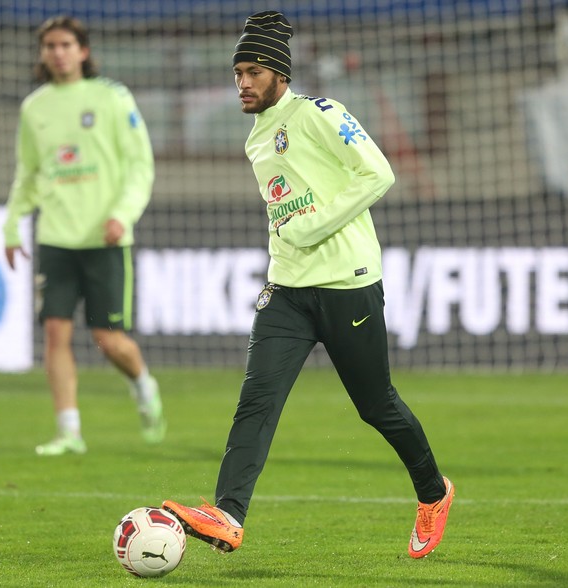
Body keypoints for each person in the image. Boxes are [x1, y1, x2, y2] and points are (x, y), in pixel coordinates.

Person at [163, 11, 454, 559]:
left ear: (278, 71)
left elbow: (380, 173)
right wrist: (288, 248)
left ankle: (434, 494)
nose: (242, 83)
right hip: (287, 292)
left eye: (251, 72)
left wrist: (311, 226)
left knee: (377, 405)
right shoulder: (255, 139)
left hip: (347, 285)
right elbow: (284, 215)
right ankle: (228, 514)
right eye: (237, 74)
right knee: (256, 402)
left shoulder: (322, 114)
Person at [3, 15, 165, 456]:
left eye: (65, 44)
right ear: (43, 54)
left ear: (83, 50)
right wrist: (12, 223)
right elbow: (29, 173)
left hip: (106, 237)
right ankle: (69, 431)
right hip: (55, 237)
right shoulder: (34, 107)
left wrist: (122, 214)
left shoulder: (112, 98)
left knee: (108, 339)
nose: (57, 52)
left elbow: (139, 164)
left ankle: (142, 383)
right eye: (49, 45)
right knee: (55, 333)